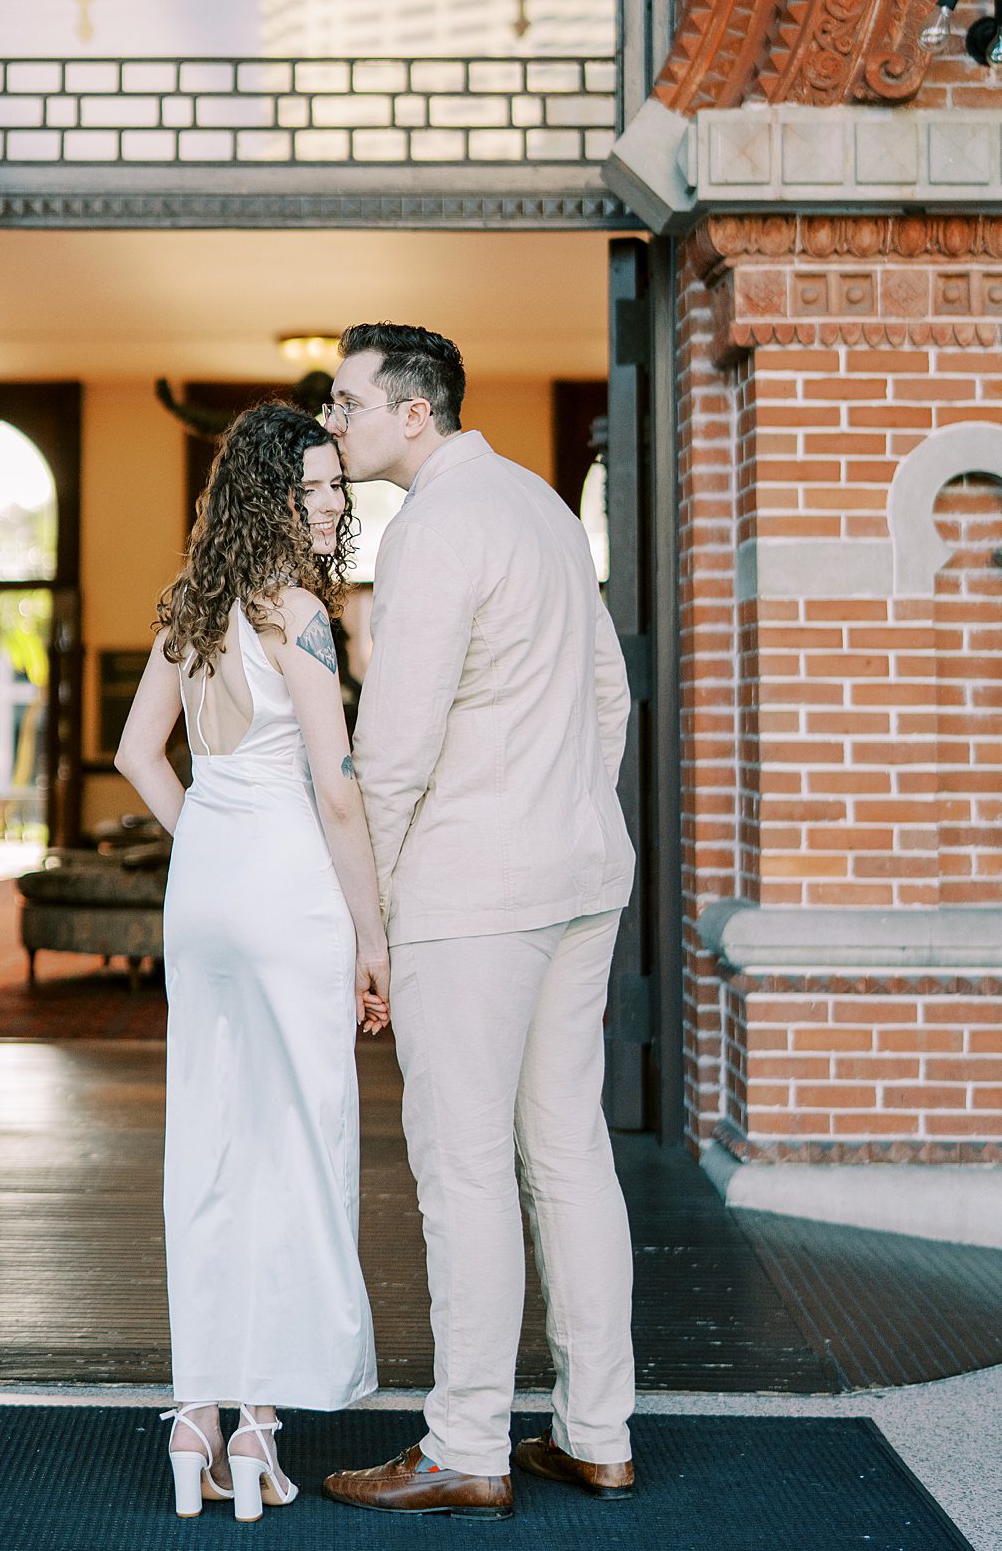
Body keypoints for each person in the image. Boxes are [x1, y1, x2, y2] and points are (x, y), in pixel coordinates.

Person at [319, 321, 637, 1522]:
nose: (334, 420)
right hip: (579, 871)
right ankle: (597, 1434)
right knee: (568, 1154)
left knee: (463, 1171)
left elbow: (393, 748)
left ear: (417, 412)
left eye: (349, 401)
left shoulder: (435, 525)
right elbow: (609, 687)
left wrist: (375, 917)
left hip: (470, 891)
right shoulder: (545, 506)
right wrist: (564, 806)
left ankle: (465, 1445)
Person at [115, 401, 388, 1523]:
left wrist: (208, 839)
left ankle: (199, 1421)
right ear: (272, 495)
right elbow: (335, 788)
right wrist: (375, 937)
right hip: (288, 894)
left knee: (210, 1147)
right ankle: (265, 1426)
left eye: (337, 485)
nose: (333, 504)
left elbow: (139, 755)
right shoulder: (301, 617)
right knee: (299, 1146)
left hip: (210, 894)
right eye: (315, 487)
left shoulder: (194, 607)